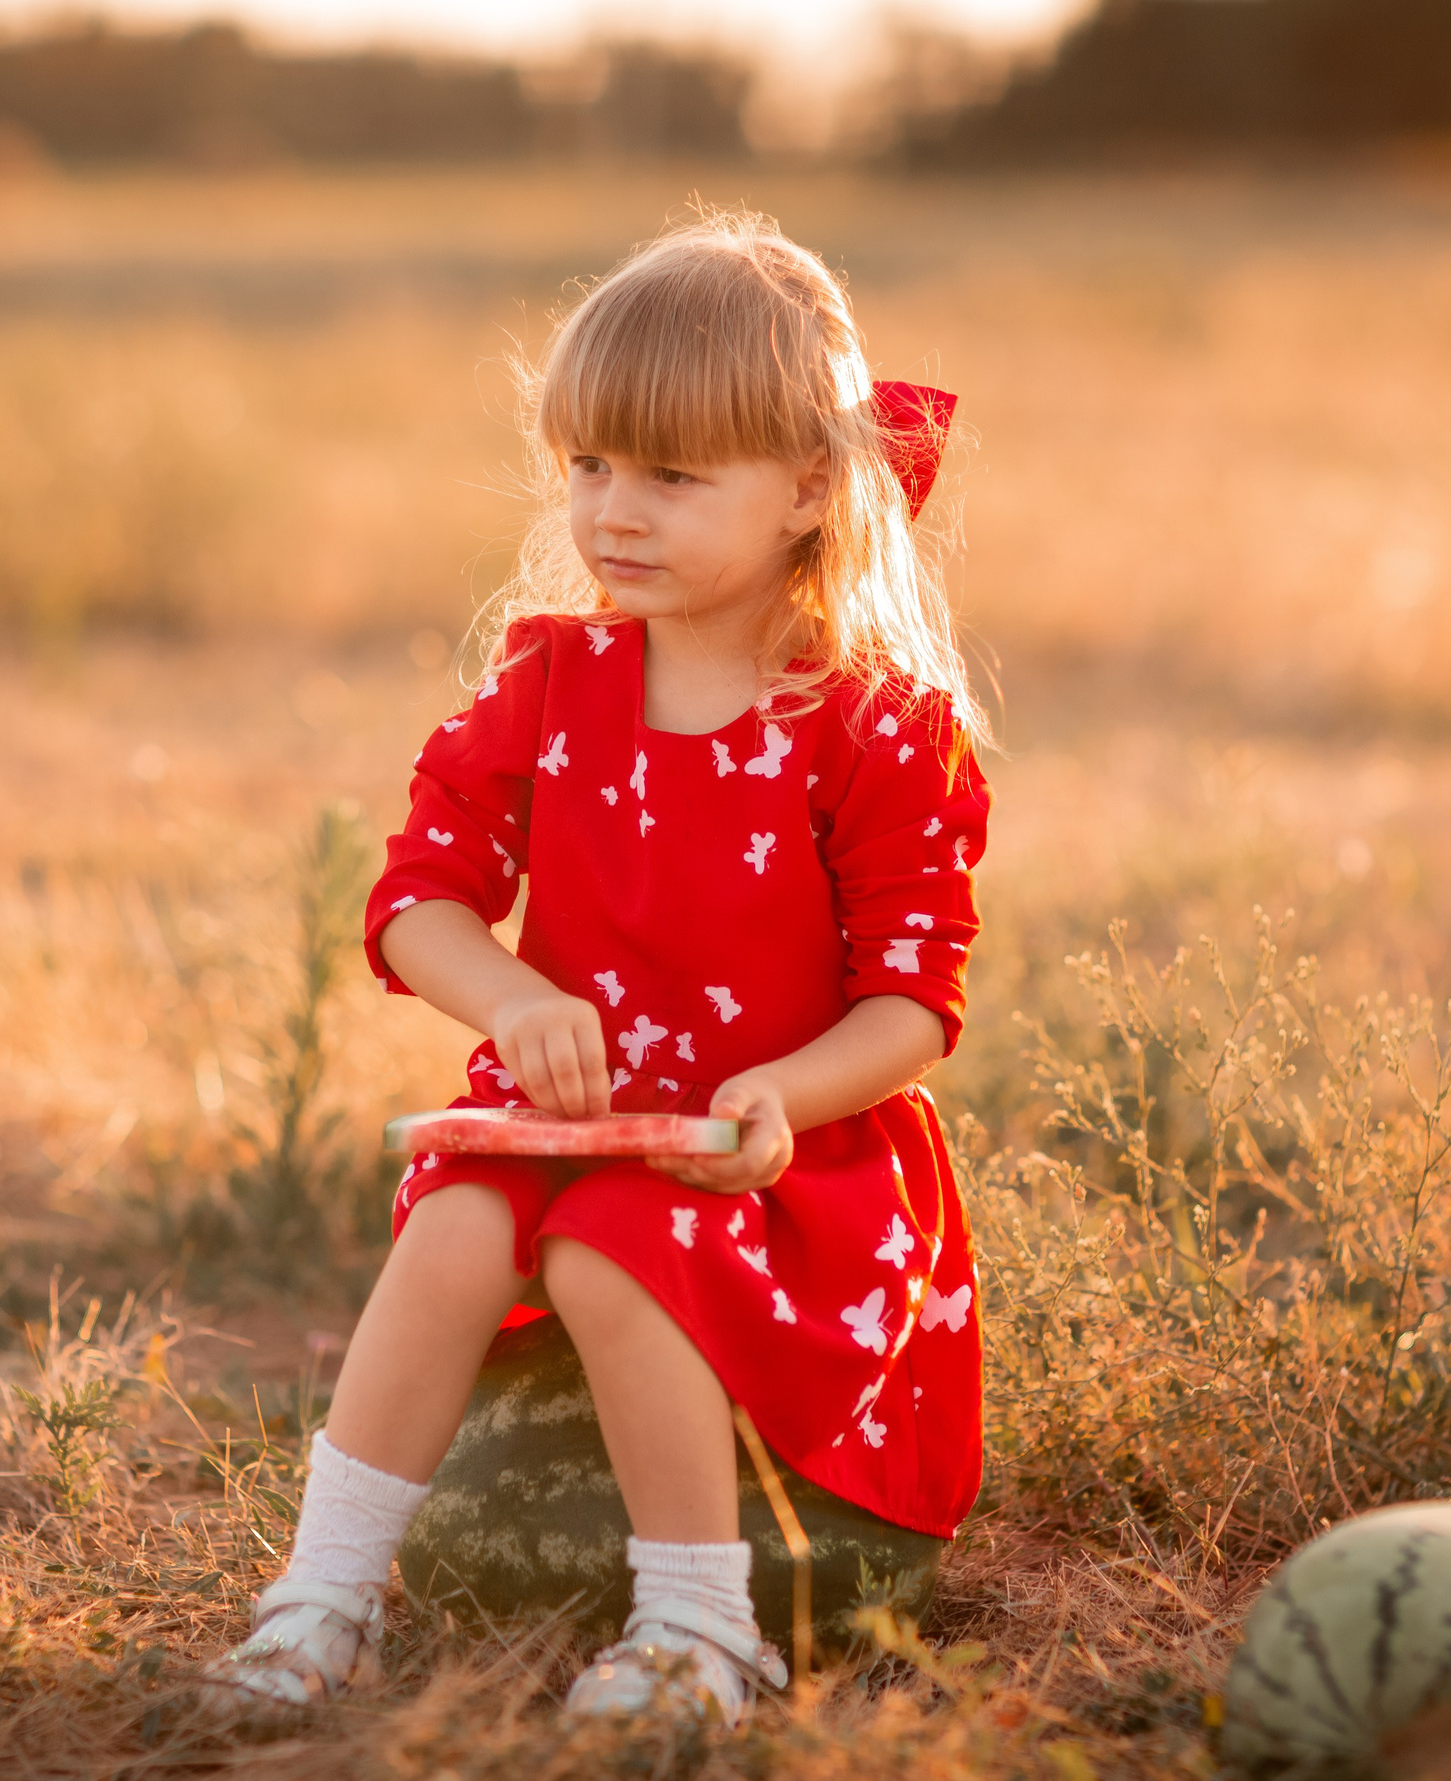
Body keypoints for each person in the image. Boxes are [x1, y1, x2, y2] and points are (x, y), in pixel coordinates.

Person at [202, 208, 993, 1727]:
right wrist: (512, 999)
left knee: (610, 1235)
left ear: (812, 485)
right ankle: (324, 1598)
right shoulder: (553, 681)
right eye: (589, 467)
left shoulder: (874, 727)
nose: (614, 511)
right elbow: (418, 900)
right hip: (555, 1117)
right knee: (457, 1223)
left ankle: (705, 1628)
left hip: (787, 1157)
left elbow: (912, 1002)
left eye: (672, 475)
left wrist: (780, 1086)